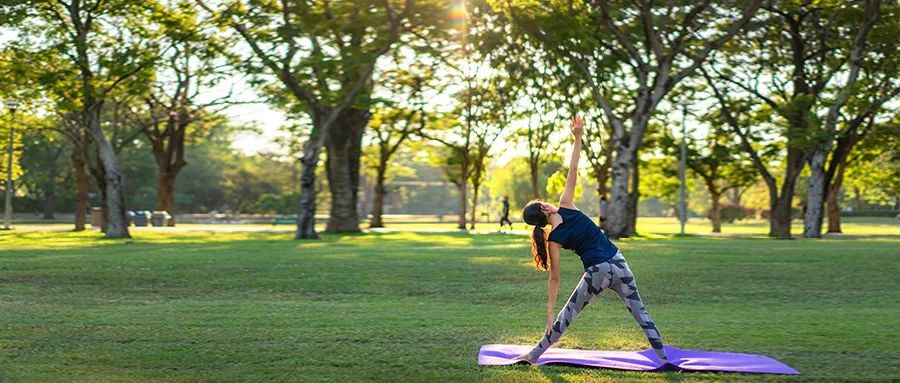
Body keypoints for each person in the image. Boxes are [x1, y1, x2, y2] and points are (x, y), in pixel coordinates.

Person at [513, 116, 669, 365]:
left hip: (597, 271)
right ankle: (664, 358)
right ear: (544, 206)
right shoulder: (566, 206)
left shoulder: (553, 239)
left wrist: (550, 312)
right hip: (619, 263)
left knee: (568, 315)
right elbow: (573, 169)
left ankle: (534, 355)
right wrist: (577, 137)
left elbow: (555, 278)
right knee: (641, 313)